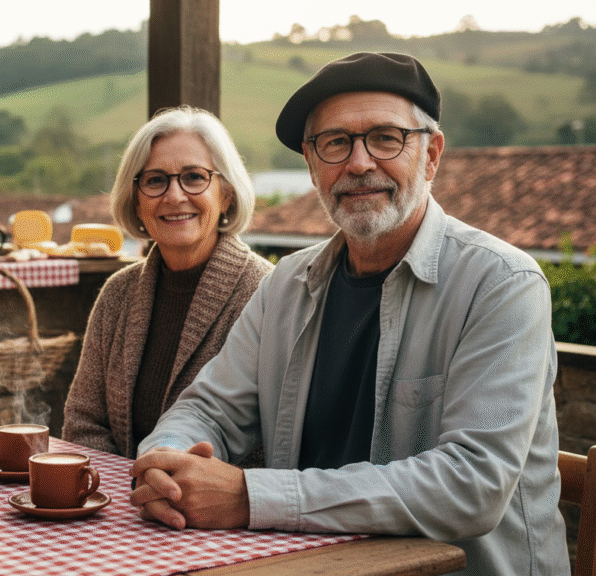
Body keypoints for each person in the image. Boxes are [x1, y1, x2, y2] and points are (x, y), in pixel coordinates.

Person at [129, 53, 570, 575]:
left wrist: (253, 496)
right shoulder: (286, 285)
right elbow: (206, 408)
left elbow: (471, 485)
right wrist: (166, 460)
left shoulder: (502, 285)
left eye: (386, 138)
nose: (359, 163)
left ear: (431, 155)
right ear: (314, 167)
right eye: (336, 143)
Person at [61, 105, 274, 459]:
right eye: (155, 180)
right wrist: (127, 491)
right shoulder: (117, 293)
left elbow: (273, 441)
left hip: (220, 509)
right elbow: (83, 423)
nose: (174, 196)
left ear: (226, 194)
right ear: (137, 201)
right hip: (117, 505)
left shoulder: (267, 294)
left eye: (193, 177)